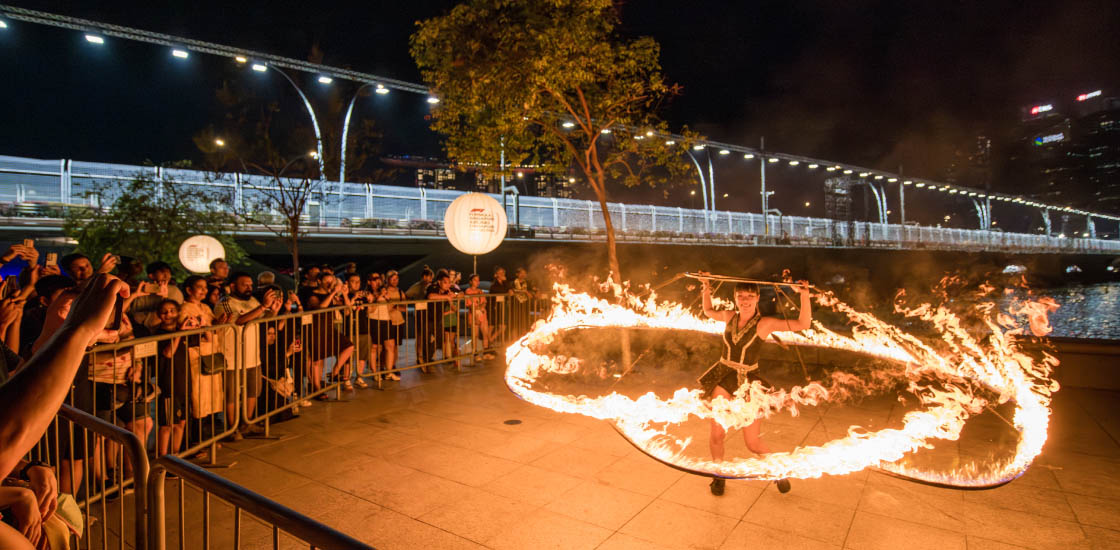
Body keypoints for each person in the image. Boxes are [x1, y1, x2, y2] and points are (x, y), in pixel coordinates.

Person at [698, 274, 812, 496]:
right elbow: (708, 311)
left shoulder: (764, 323)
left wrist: (805, 296)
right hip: (724, 377)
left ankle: (777, 471)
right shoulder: (729, 315)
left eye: (750, 296)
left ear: (758, 297)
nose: (745, 300)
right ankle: (718, 475)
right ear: (735, 297)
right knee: (717, 435)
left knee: (752, 443)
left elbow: (803, 323)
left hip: (750, 384)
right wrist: (706, 289)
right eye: (741, 296)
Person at [214, 272, 278, 441]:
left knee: (253, 390)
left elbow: (262, 319)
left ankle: (247, 423)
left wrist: (273, 312)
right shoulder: (225, 303)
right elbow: (239, 320)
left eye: (251, 285)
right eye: (245, 285)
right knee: (232, 393)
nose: (249, 288)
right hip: (231, 356)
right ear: (233, 286)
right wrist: (263, 307)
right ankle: (232, 427)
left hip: (252, 355)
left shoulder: (253, 302)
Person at [128, 261, 184, 329]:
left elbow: (177, 314)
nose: (167, 276)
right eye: (162, 273)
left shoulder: (174, 291)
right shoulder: (141, 291)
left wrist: (164, 298)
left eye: (169, 273)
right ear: (151, 276)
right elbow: (134, 314)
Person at [426, 271, 461, 369]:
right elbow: (430, 296)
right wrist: (446, 297)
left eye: (449, 282)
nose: (448, 284)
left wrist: (455, 295)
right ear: (439, 282)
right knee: (426, 339)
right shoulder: (433, 287)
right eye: (445, 282)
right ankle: (425, 360)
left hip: (438, 318)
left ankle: (427, 359)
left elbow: (460, 293)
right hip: (427, 317)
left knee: (439, 340)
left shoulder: (448, 290)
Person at [379, 271, 406, 381]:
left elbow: (404, 307)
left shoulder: (400, 292)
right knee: (384, 347)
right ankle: (382, 367)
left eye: (397, 279)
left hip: (399, 321)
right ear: (388, 279)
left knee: (395, 346)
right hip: (387, 321)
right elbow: (385, 307)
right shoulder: (384, 291)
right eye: (393, 279)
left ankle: (392, 366)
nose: (395, 281)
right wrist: (395, 306)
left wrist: (394, 306)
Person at [463, 274, 493, 359]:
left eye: (478, 280)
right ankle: (475, 353)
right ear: (471, 281)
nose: (477, 282)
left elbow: (484, 302)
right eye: (475, 280)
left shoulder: (481, 291)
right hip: (473, 315)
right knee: (475, 335)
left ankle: (485, 352)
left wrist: (481, 307)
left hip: (482, 314)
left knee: (485, 333)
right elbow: (469, 304)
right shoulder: (468, 291)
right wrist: (477, 308)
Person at [488, 266, 510, 343]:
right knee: (492, 326)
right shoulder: (494, 285)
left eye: (503, 272)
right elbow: (503, 291)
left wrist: (505, 282)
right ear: (496, 275)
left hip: (503, 306)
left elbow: (510, 289)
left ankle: (490, 340)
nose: (502, 274)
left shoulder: (505, 283)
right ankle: (488, 343)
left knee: (503, 326)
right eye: (500, 273)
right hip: (495, 307)